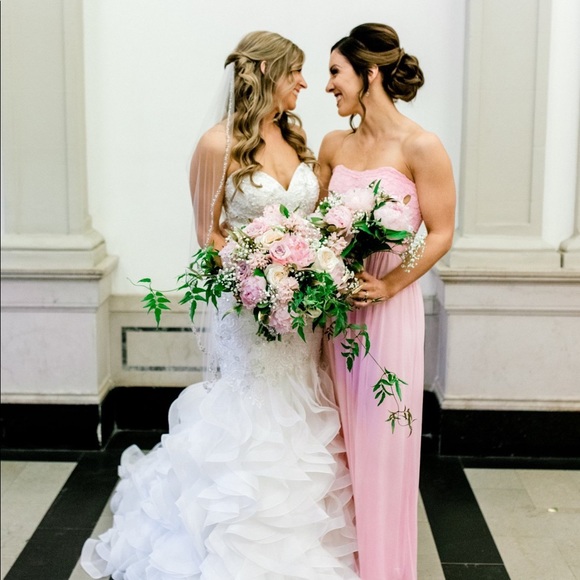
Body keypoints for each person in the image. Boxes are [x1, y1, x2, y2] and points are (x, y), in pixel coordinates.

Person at [81, 31, 358, 579]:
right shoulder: (216, 145)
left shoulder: (295, 135)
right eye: (295, 72)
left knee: (301, 404)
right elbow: (208, 236)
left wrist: (307, 271)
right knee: (253, 415)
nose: (305, 83)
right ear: (267, 73)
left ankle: (305, 538)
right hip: (252, 307)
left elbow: (314, 222)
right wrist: (260, 276)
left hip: (303, 313)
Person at [318, 23, 456, 580]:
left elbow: (441, 232)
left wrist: (393, 282)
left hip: (388, 313)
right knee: (336, 447)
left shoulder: (421, 146)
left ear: (369, 73)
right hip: (335, 314)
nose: (329, 85)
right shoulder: (334, 146)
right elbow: (316, 231)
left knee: (381, 448)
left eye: (336, 72)